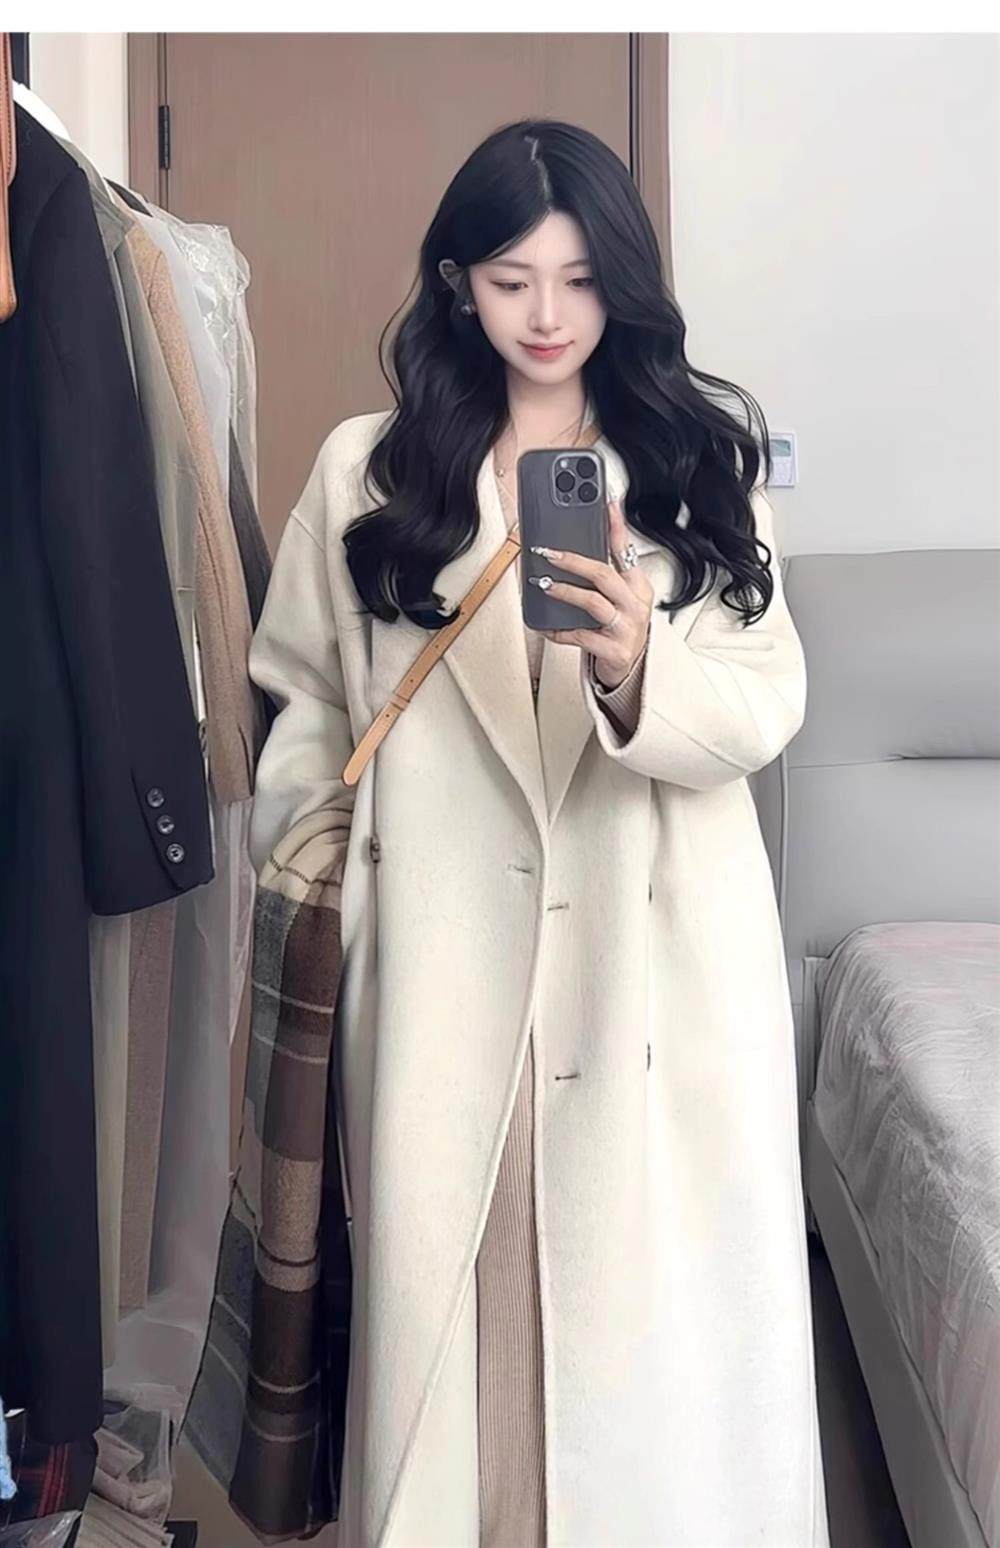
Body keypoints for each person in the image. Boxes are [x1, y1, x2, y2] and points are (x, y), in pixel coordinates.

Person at [194, 117, 831, 1547]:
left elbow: (768, 702)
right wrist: (341, 866)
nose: (548, 316)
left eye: (581, 278)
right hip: (445, 970)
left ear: (626, 281)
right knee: (461, 1344)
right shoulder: (372, 470)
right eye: (510, 279)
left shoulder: (693, 463)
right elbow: (300, 698)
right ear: (455, 283)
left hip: (652, 978)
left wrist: (638, 667)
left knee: (648, 1380)